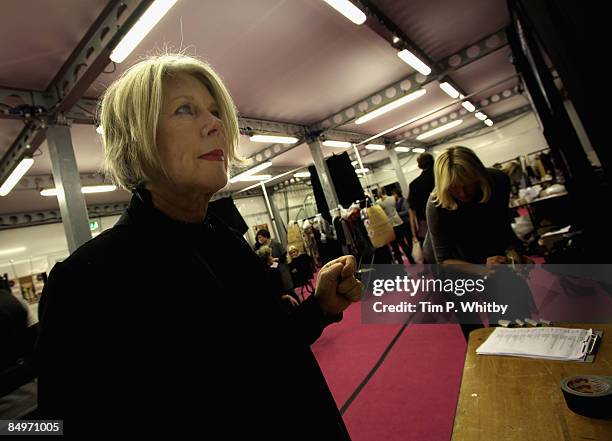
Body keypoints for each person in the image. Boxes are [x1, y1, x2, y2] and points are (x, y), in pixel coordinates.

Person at [35, 54, 362, 438]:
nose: (215, 125)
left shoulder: (226, 243)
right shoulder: (86, 282)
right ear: (136, 136)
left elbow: (265, 351)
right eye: (185, 110)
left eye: (215, 111)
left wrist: (319, 308)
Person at [422, 146, 534, 338]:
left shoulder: (498, 180)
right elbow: (444, 259)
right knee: (469, 318)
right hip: (449, 259)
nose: (463, 192)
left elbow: (501, 223)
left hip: (483, 242)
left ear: (479, 176)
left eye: (468, 184)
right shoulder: (436, 204)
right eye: (454, 187)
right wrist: (483, 269)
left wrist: (513, 252)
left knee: (503, 310)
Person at [376, 190, 415, 264]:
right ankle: (412, 261)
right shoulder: (392, 198)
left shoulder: (378, 203)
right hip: (399, 222)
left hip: (389, 226)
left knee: (395, 247)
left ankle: (400, 264)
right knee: (403, 243)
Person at [407, 152, 435, 241]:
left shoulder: (414, 185)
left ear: (419, 165)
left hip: (427, 223)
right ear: (433, 161)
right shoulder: (442, 177)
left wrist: (414, 235)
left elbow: (412, 212)